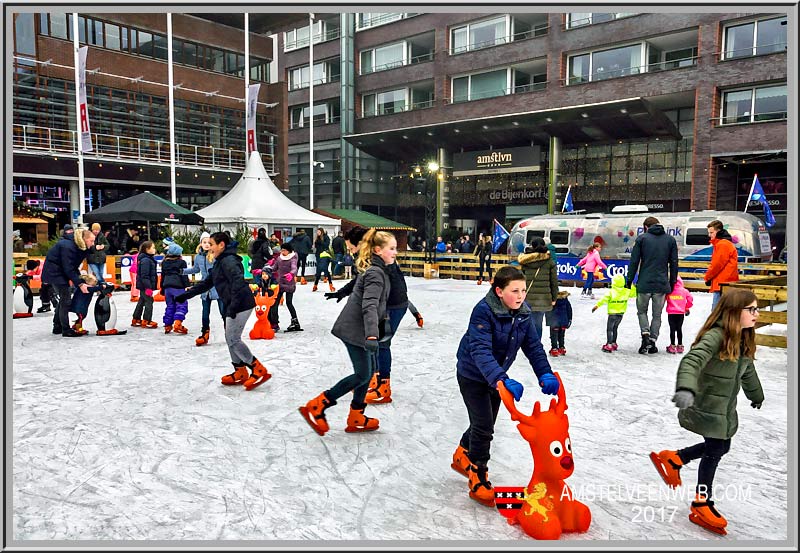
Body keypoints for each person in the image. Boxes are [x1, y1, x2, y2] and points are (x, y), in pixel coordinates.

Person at [649, 289, 764, 536]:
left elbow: (747, 371)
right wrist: (685, 388)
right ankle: (702, 502)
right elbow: (692, 361)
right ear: (735, 312)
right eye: (751, 309)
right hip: (707, 406)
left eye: (757, 309)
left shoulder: (743, 338)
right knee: (715, 450)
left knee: (721, 447)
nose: (757, 314)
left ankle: (675, 459)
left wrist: (756, 395)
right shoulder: (716, 336)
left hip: (724, 410)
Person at [451, 265, 560, 507]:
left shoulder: (523, 313)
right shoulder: (483, 312)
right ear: (499, 291)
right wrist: (501, 378)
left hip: (496, 376)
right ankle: (478, 474)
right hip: (472, 374)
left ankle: (462, 454)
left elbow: (533, 346)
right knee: (483, 426)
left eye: (523, 290)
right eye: (515, 291)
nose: (521, 296)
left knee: (484, 422)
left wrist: (545, 373)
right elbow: (479, 350)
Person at [299, 229, 396, 436]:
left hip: (361, 328)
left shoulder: (376, 269)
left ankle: (356, 415)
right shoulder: (375, 272)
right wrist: (371, 334)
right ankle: (319, 405)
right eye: (392, 249)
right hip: (356, 330)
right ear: (378, 250)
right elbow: (369, 304)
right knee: (362, 373)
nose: (395, 253)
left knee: (367, 373)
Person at [175, 232, 271, 391]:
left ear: (221, 245)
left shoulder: (229, 261)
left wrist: (232, 307)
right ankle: (240, 371)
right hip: (232, 304)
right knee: (230, 338)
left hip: (241, 304)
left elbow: (238, 283)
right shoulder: (219, 262)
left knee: (233, 338)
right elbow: (206, 283)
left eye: (212, 244)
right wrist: (185, 295)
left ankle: (258, 368)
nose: (210, 247)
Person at [625, 216, 679, 355]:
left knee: (641, 311)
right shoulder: (670, 240)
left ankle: (645, 336)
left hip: (644, 283)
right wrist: (672, 282)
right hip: (661, 284)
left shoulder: (642, 239)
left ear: (646, 227)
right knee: (657, 315)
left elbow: (634, 262)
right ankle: (653, 341)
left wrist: (629, 281)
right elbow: (674, 263)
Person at [41, 227, 95, 337]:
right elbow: (68, 267)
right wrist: (80, 283)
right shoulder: (68, 246)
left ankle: (57, 326)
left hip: (58, 272)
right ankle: (65, 329)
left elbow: (72, 266)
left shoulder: (78, 246)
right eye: (92, 241)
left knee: (63, 300)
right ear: (84, 239)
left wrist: (80, 280)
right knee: (66, 300)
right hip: (54, 273)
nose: (93, 244)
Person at [183, 232, 224, 346]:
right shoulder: (198, 257)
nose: (206, 244)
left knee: (223, 312)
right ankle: (204, 333)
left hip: (218, 287)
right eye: (204, 242)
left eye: (209, 242)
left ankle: (230, 332)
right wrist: (182, 271)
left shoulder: (215, 256)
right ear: (200, 244)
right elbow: (195, 270)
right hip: (205, 289)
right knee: (205, 313)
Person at [518, 236, 558, 338]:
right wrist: (554, 298)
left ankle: (528, 343)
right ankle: (536, 344)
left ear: (532, 246)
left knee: (527, 322)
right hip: (543, 299)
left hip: (528, 298)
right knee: (537, 323)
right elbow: (553, 282)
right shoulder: (549, 261)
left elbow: (520, 281)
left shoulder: (526, 261)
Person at [592, 274, 638, 353]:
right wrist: (632, 286)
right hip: (620, 313)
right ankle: (614, 343)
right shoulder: (626, 291)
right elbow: (635, 293)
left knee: (610, 329)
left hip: (612, 313)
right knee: (615, 328)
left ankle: (609, 344)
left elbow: (603, 299)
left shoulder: (611, 292)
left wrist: (597, 306)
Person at [703, 220, 739, 310]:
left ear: (718, 231)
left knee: (716, 312)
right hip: (726, 282)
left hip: (721, 284)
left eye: (711, 232)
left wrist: (708, 277)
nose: (709, 235)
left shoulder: (722, 244)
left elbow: (716, 265)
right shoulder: (725, 243)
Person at [267, 242, 302, 332]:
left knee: (289, 303)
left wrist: (291, 274)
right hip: (280, 283)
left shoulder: (293, 258)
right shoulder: (279, 258)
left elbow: (294, 268)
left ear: (289, 251)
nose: (282, 252)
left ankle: (295, 321)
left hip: (289, 283)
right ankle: (274, 323)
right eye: (281, 250)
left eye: (284, 250)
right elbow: (274, 268)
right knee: (275, 303)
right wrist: (265, 269)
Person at [160, 242, 190, 334]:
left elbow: (163, 276)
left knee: (170, 306)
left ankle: (168, 325)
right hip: (178, 287)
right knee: (181, 305)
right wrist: (187, 286)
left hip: (167, 287)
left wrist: (162, 288)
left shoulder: (164, 263)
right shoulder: (181, 262)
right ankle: (177, 323)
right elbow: (183, 275)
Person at [131, 241, 159, 329]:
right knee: (149, 301)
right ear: (147, 249)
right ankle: (147, 320)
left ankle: (136, 319)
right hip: (145, 285)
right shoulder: (146, 260)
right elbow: (144, 275)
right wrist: (148, 287)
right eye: (153, 248)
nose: (155, 249)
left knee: (142, 301)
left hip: (145, 285)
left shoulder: (148, 259)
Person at [666, 276, 694, 354]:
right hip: (680, 313)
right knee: (679, 328)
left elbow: (664, 298)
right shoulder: (684, 291)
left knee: (672, 329)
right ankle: (680, 346)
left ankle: (672, 345)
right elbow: (690, 299)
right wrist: (687, 307)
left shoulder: (669, 291)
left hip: (671, 313)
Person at [545, 290, 572, 356]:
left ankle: (554, 348)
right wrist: (569, 320)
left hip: (554, 322)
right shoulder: (565, 301)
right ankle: (561, 347)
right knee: (561, 335)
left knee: (553, 336)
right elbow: (569, 310)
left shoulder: (553, 301)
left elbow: (548, 311)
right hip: (564, 321)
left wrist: (549, 321)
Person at [312, 228, 334, 292]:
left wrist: (320, 242)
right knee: (318, 270)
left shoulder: (326, 237)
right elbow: (316, 246)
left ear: (322, 232)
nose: (318, 233)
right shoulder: (317, 238)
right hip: (318, 254)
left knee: (325, 269)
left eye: (319, 232)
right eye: (317, 232)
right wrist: (315, 243)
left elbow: (326, 245)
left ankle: (329, 282)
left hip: (324, 255)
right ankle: (315, 285)